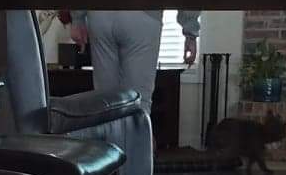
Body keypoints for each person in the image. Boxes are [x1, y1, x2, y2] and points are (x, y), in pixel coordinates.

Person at [70, 9, 201, 109]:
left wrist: (77, 18)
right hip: (143, 11)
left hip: (100, 12)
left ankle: (110, 143)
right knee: (138, 103)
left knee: (105, 103)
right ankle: (135, 143)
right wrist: (190, 31)